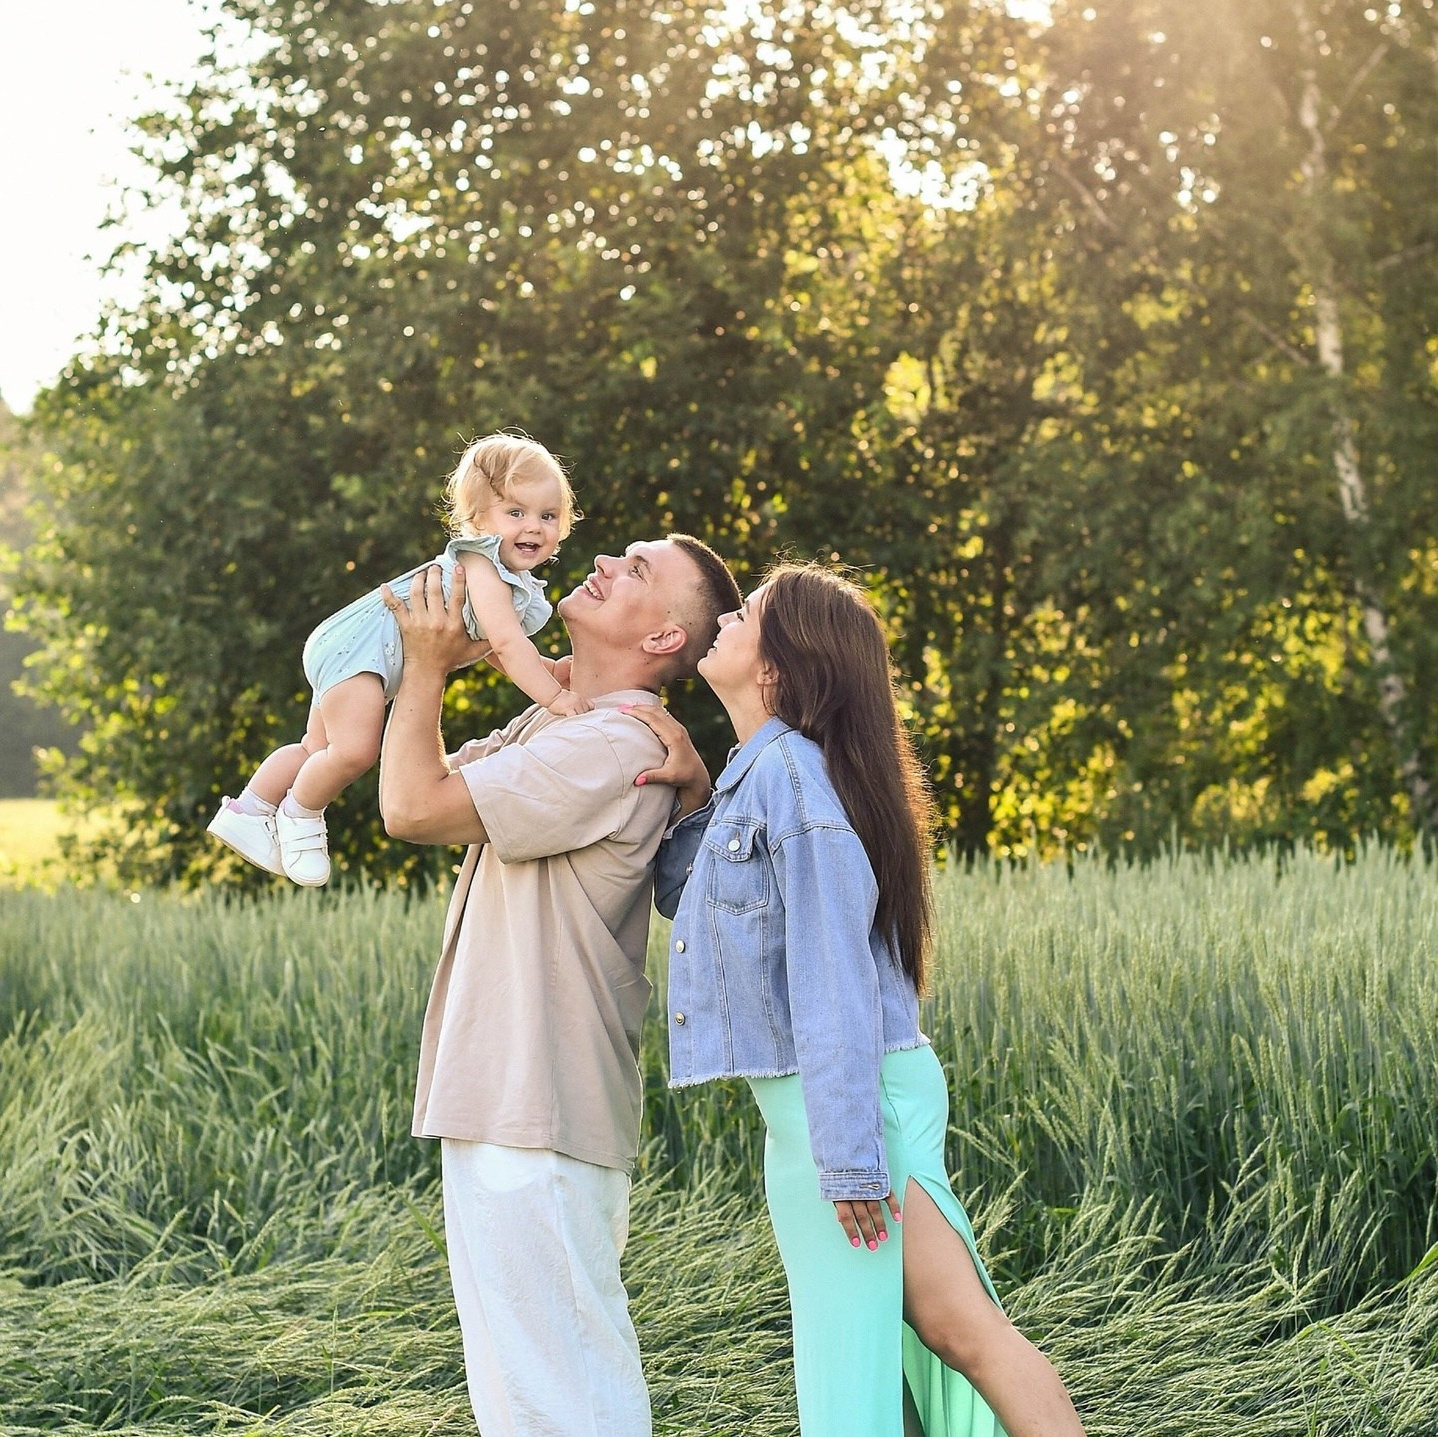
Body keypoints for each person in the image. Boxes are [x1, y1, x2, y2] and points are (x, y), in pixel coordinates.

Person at [627, 563, 1086, 1437]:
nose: (728, 614)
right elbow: (693, 900)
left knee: (933, 1335)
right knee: (945, 1327)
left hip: (848, 1097)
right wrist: (695, 791)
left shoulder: (797, 786)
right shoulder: (762, 776)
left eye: (751, 610)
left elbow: (832, 979)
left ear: (782, 667)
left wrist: (848, 1158)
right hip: (823, 1101)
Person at [377, 534, 741, 1437]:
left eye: (639, 570)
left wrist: (423, 666)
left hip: (535, 1101)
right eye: (623, 553)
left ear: (663, 638)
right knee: (527, 1398)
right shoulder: (562, 726)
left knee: (563, 1400)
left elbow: (410, 808)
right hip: (505, 1100)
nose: (610, 563)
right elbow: (422, 774)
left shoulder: (615, 744)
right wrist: (447, 657)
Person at [207, 431, 590, 887]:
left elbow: (490, 649)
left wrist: (546, 673)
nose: (534, 526)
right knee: (353, 752)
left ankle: (249, 808)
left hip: (347, 642)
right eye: (516, 512)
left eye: (548, 515)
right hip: (363, 650)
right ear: (479, 520)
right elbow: (508, 644)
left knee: (316, 749)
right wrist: (554, 699)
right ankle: (301, 813)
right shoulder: (484, 567)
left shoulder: (500, 578)